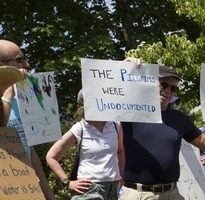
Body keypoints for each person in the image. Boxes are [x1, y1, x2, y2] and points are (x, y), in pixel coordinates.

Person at [119, 62, 205, 200]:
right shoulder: (130, 112)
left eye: (173, 88)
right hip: (139, 194)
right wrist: (127, 67)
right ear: (149, 82)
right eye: (164, 85)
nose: (168, 91)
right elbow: (112, 95)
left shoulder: (179, 118)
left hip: (171, 193)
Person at [0, 39, 56, 200]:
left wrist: (47, 193)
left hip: (23, 187)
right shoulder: (9, 97)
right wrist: (7, 93)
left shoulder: (19, 101)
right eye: (20, 60)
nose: (27, 64)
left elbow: (28, 148)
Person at [46, 89, 125, 200]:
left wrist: (121, 175)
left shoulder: (115, 125)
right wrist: (67, 182)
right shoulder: (80, 128)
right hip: (89, 190)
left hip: (112, 190)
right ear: (83, 105)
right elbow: (51, 156)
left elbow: (120, 151)